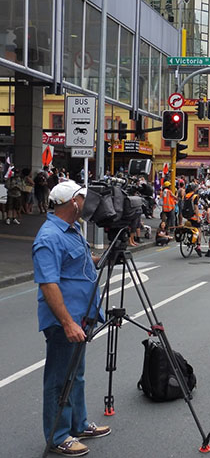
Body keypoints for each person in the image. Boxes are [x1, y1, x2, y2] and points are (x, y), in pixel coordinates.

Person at [32, 180, 111, 456]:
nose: (86, 203)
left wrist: (102, 258)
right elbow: (48, 284)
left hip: (82, 316)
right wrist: (67, 322)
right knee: (59, 379)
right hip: (64, 321)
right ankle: (58, 436)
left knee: (75, 375)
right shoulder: (49, 238)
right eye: (82, 198)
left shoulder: (73, 228)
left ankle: (79, 423)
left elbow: (80, 263)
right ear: (72, 202)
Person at [183, 184, 203, 257]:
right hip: (193, 215)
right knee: (198, 230)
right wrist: (198, 217)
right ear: (194, 189)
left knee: (191, 228)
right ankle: (198, 245)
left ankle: (190, 239)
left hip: (187, 215)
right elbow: (196, 207)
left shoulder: (186, 195)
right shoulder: (195, 196)